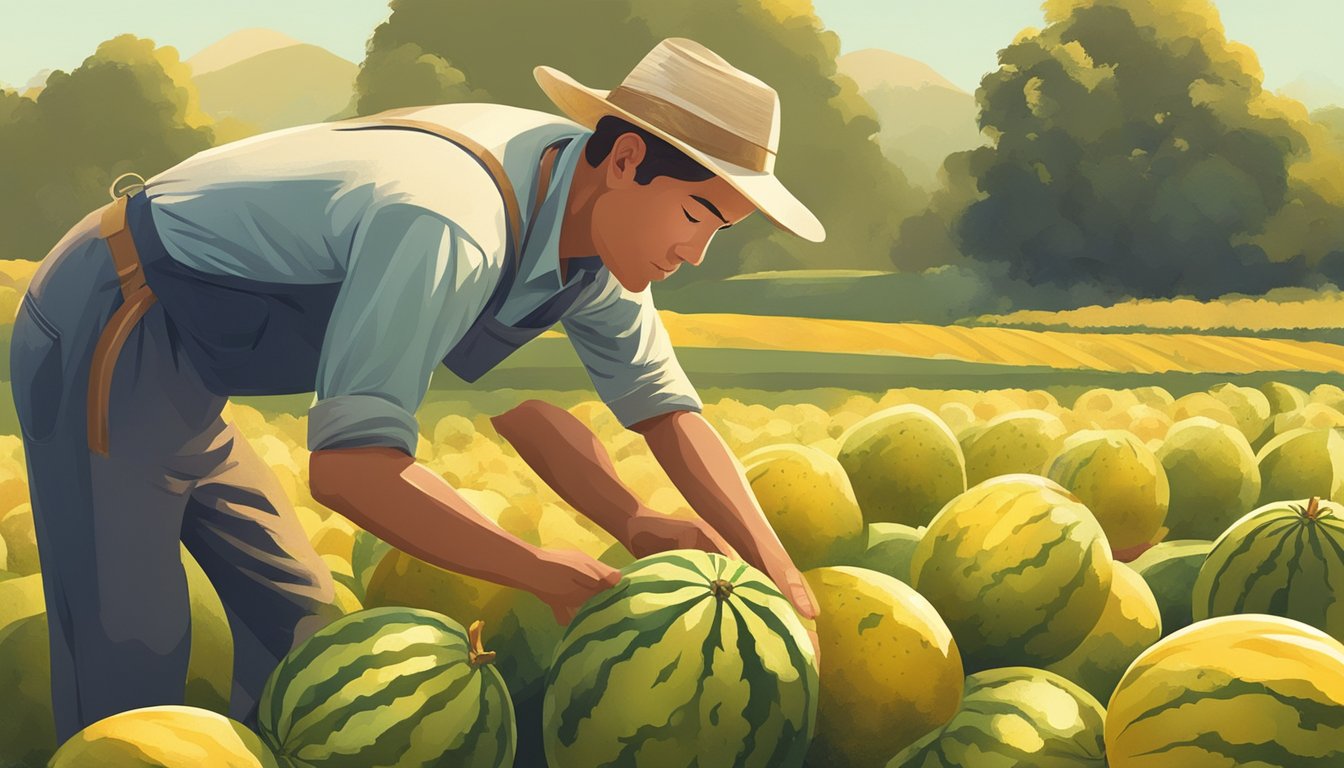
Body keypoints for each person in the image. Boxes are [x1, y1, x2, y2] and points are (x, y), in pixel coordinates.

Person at [9, 36, 825, 742]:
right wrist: (538, 568)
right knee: (134, 653)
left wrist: (774, 576)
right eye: (694, 215)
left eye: (717, 230)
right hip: (116, 317)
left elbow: (663, 411)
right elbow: (350, 468)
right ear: (624, 161)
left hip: (195, 372)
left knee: (304, 635)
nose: (695, 254)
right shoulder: (453, 218)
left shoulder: (597, 233)